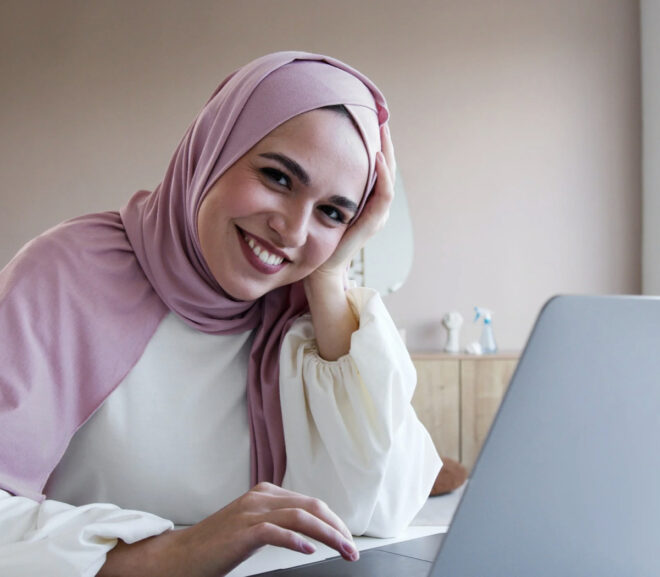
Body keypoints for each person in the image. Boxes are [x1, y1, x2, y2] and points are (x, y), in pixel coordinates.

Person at [0, 51, 441, 576]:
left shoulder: (305, 314)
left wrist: (329, 273)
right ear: (215, 147)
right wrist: (170, 556)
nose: (294, 231)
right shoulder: (65, 274)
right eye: (278, 177)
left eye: (332, 212)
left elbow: (380, 510)